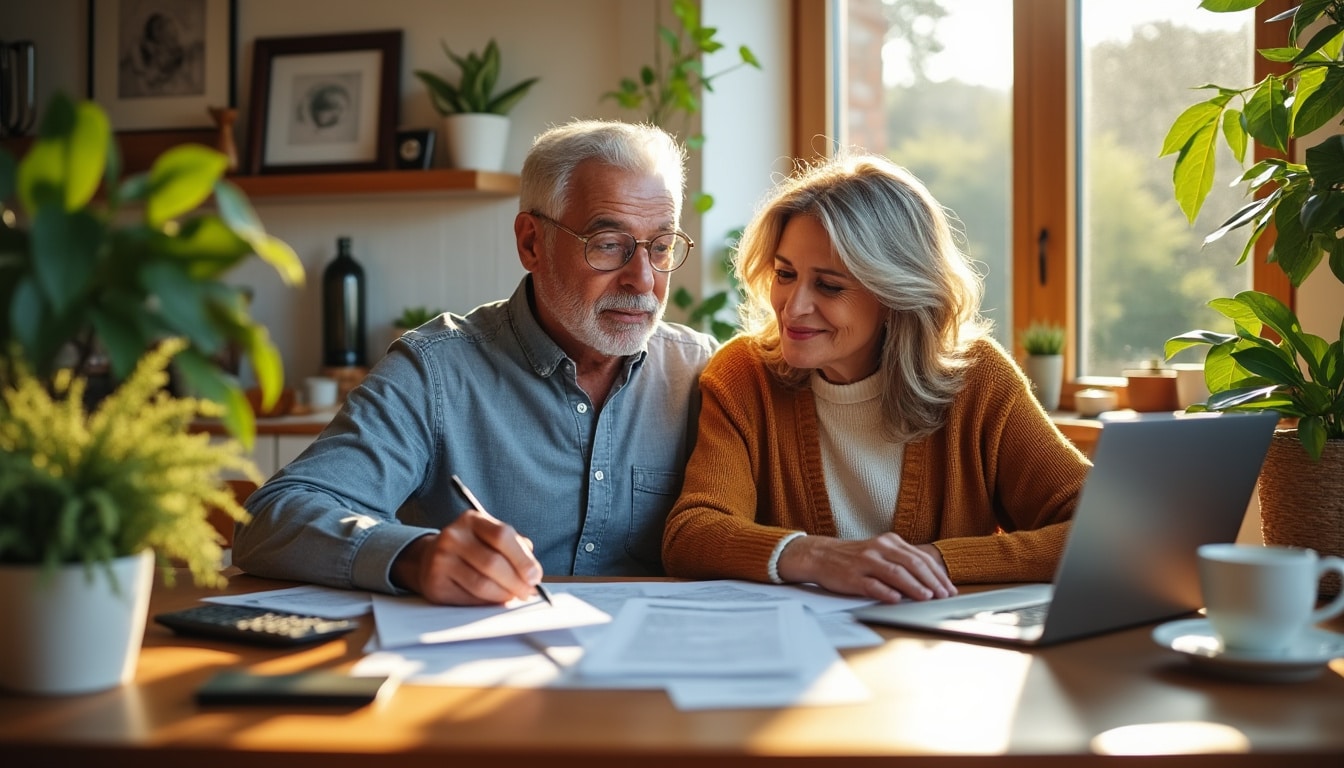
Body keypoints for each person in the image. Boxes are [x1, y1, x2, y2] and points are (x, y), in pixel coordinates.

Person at [233, 120, 717, 605]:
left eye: (661, 247)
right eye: (609, 244)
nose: (643, 280)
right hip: (487, 648)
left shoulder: (701, 371)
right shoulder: (435, 372)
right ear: (531, 242)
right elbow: (270, 520)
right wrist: (415, 557)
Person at [661, 152, 1090, 603]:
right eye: (785, 274)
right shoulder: (744, 375)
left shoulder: (978, 379)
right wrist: (817, 557)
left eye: (829, 285)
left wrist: (931, 563)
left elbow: (1104, 530)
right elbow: (693, 533)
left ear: (895, 293)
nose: (793, 306)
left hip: (937, 643)